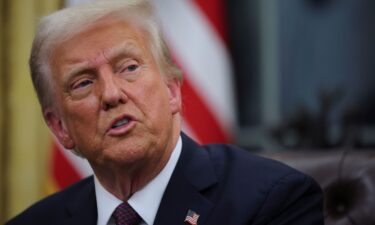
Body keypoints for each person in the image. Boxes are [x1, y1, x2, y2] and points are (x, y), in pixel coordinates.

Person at [6, 0, 324, 224]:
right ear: (60, 126)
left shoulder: (273, 201)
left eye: (129, 67)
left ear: (172, 90)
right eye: (83, 83)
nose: (112, 94)